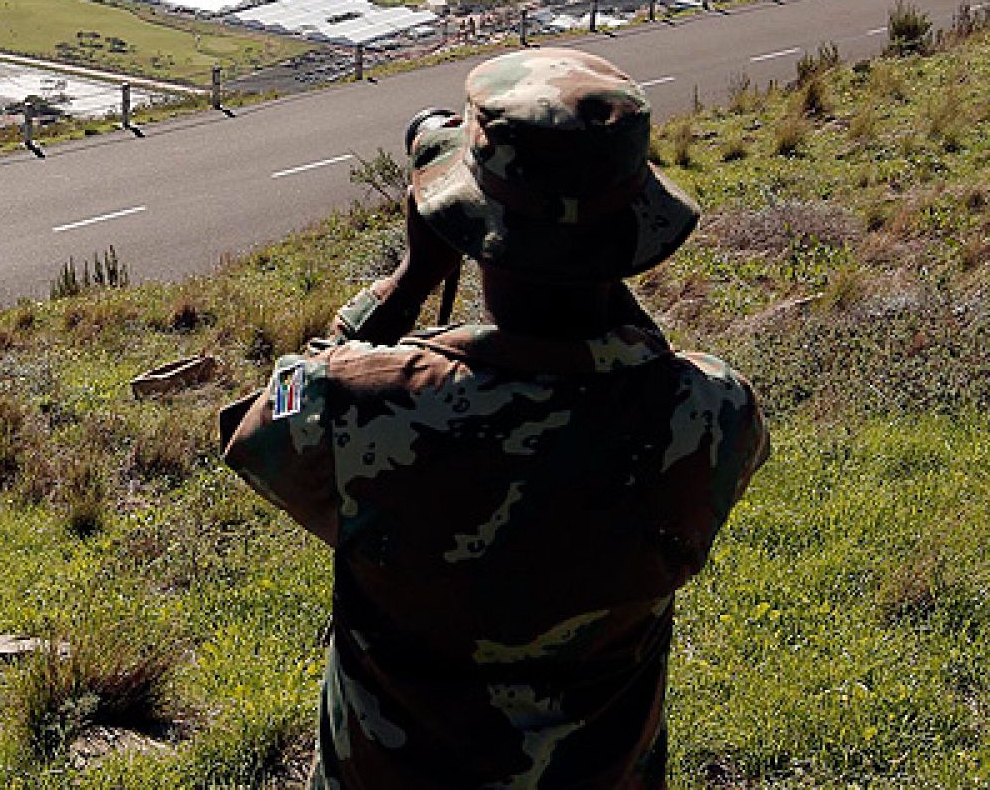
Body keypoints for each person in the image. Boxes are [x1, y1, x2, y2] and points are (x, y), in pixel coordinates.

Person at [219, 48, 769, 789]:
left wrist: (408, 280)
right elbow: (635, 359)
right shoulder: (710, 414)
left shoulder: (356, 404)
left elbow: (260, 427)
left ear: (469, 227)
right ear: (634, 229)